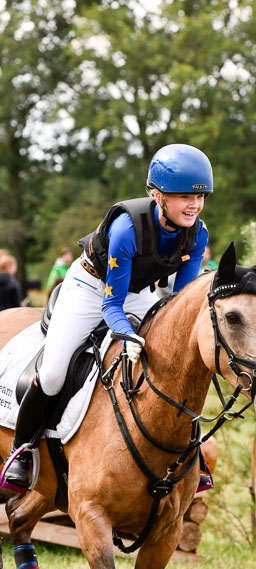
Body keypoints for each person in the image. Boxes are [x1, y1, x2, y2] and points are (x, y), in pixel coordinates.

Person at [2, 143, 212, 490]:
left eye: (200, 197)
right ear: (157, 195)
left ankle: (192, 455)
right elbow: (111, 306)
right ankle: (21, 451)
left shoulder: (197, 234)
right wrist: (126, 335)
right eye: (183, 196)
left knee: (176, 363)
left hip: (140, 293)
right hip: (90, 288)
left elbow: (179, 302)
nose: (194, 205)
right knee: (53, 374)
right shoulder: (127, 229)